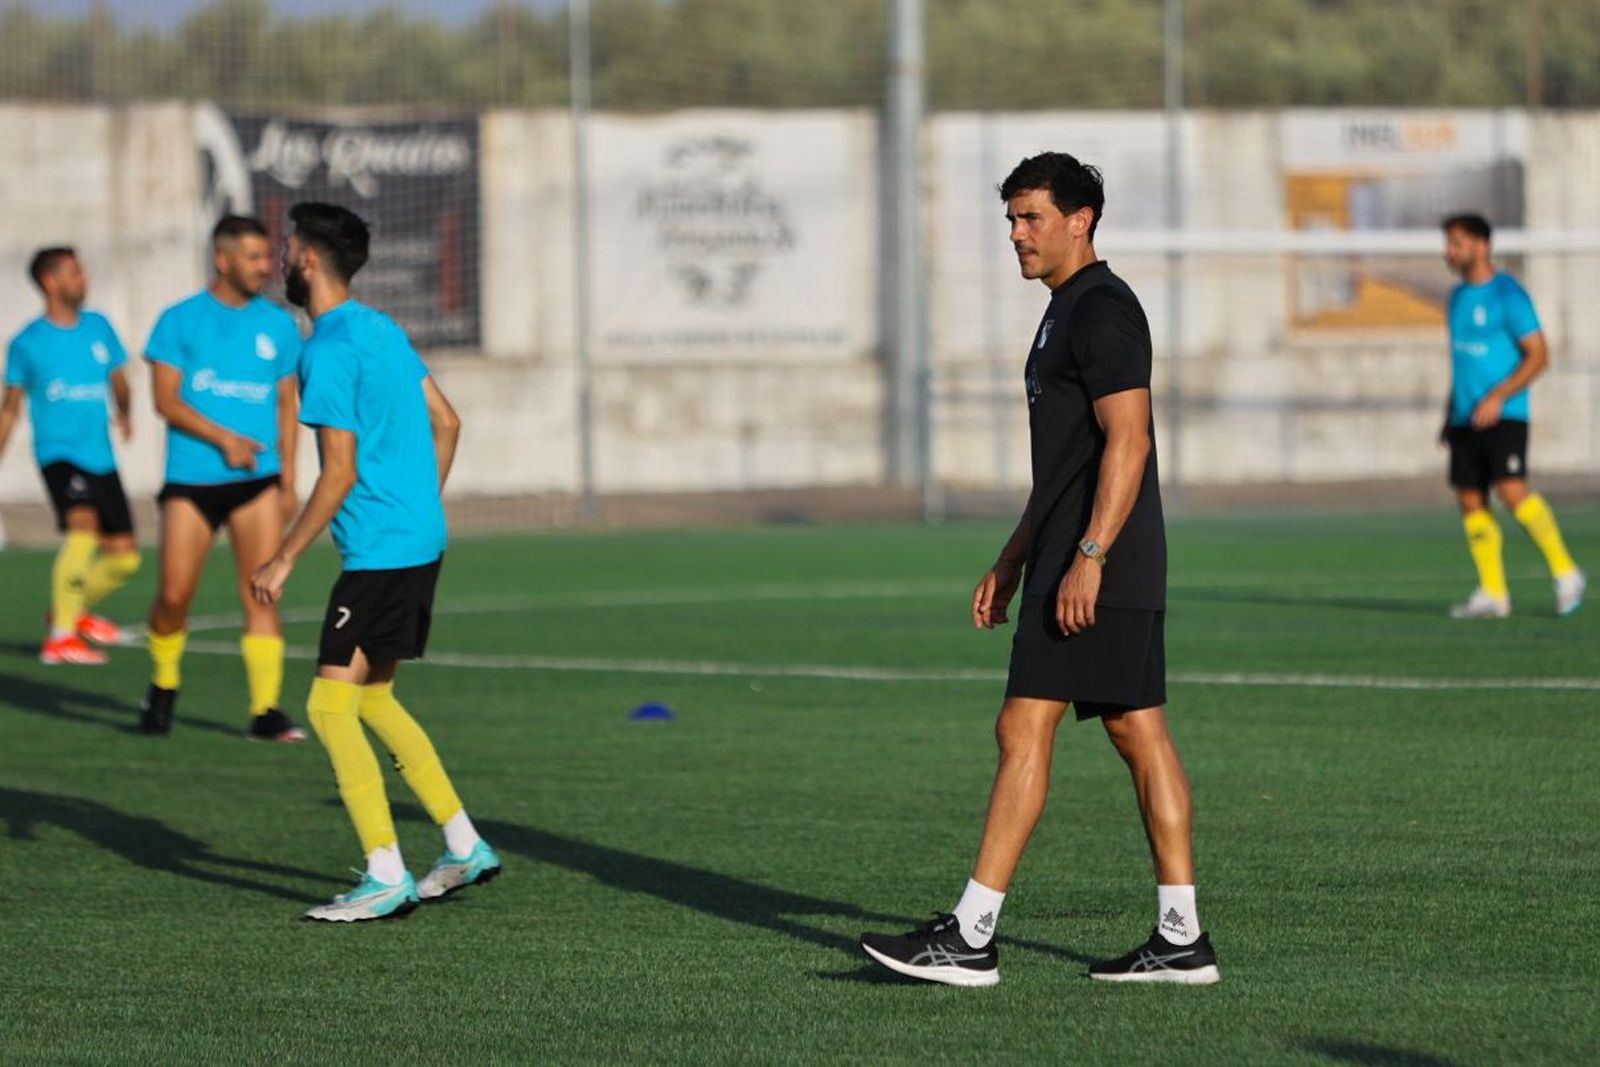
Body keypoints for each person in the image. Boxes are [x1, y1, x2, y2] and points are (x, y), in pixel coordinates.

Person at [859, 153, 1218, 987]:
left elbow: (1130, 439)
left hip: (1098, 556)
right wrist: (1015, 554)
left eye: (1032, 218)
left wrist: (1089, 555)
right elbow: (1066, 466)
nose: (1017, 235)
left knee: (1023, 726)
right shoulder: (1066, 310)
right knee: (1136, 730)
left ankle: (971, 933)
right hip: (1081, 551)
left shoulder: (1102, 309)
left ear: (1080, 220)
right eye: (1012, 220)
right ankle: (1181, 937)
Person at [250, 202, 499, 922]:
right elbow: (448, 422)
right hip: (418, 538)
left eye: (287, 247)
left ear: (307, 259)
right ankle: (463, 844)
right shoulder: (382, 329)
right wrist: (417, 504)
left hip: (381, 552)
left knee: (327, 708)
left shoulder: (326, 349)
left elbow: (338, 472)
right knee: (374, 699)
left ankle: (386, 873)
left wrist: (283, 557)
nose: (282, 258)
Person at [138, 216, 307, 740]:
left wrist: (288, 480)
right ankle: (163, 684)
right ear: (223, 259)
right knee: (173, 597)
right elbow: (165, 400)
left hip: (258, 482)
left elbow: (287, 404)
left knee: (262, 594)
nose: (265, 267)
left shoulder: (279, 325)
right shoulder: (179, 320)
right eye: (254, 257)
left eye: (267, 256)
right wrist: (225, 439)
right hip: (192, 481)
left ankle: (265, 710)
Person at [1439, 214, 1585, 619]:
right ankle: (1493, 593)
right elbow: (1462, 363)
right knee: (1470, 499)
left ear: (1481, 245)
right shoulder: (1456, 298)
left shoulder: (1508, 294)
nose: (1449, 251)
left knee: (1512, 492)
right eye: (1448, 243)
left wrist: (1499, 396)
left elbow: (1539, 355)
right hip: (1465, 417)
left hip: (1505, 413)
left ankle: (1566, 572)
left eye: (1457, 243)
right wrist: (1450, 412)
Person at [0, 248, 140, 665]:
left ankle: (70, 610)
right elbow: (10, 408)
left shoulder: (99, 327)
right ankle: (60, 638)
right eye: (75, 273)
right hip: (58, 453)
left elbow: (120, 380)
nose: (84, 279)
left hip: (101, 455)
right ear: (50, 281)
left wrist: (126, 413)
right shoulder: (27, 343)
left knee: (125, 557)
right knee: (83, 528)